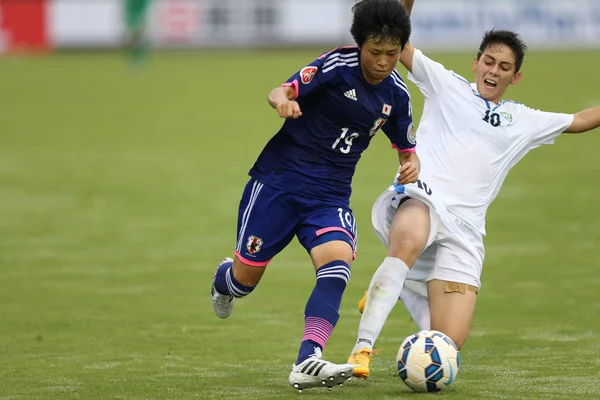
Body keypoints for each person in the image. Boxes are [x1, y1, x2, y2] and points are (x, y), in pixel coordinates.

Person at [347, 0, 600, 379]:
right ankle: (361, 349)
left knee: (448, 343)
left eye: (504, 67)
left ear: (514, 77)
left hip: (464, 229)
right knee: (406, 242)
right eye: (488, 61)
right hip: (424, 197)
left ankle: (399, 285)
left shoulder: (524, 120)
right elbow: (399, 40)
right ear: (476, 62)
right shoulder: (445, 84)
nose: (493, 71)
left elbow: (579, 120)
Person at [210, 0, 419, 392]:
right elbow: (281, 89)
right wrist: (283, 102)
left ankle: (308, 358)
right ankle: (224, 281)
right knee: (244, 280)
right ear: (360, 46)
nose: (383, 61)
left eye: (392, 54)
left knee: (337, 266)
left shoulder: (397, 95)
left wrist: (411, 163)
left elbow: (407, 148)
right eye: (375, 53)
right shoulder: (336, 67)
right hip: (278, 184)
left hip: (330, 196)